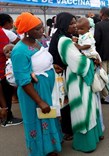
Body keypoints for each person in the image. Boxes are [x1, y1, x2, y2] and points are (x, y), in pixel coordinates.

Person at [50, 12, 103, 153]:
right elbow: (78, 62)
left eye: (75, 23)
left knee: (88, 107)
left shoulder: (67, 38)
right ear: (63, 24)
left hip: (79, 77)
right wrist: (92, 61)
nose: (74, 26)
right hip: (77, 78)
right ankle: (85, 144)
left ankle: (92, 138)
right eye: (71, 23)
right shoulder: (64, 41)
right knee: (83, 109)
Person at [11, 12, 62, 156]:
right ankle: (40, 151)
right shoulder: (19, 51)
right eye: (37, 29)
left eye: (41, 28)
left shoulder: (36, 42)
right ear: (27, 31)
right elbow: (23, 80)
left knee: (48, 119)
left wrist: (52, 68)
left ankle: (50, 148)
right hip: (33, 93)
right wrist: (39, 101)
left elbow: (39, 64)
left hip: (45, 88)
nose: (42, 31)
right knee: (37, 120)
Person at [0, 13, 22, 127]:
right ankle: (7, 118)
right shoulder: (6, 33)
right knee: (7, 92)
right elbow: (20, 44)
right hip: (4, 69)